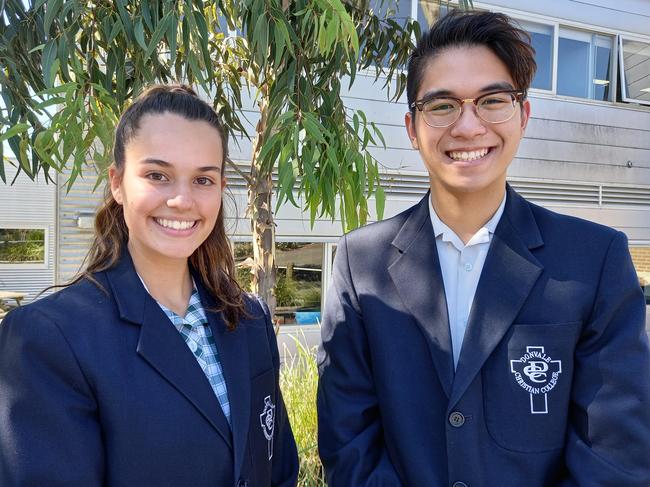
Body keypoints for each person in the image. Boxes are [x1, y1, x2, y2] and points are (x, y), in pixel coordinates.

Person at [317, 11, 650, 486]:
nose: (469, 127)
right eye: (443, 105)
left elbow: (614, 457)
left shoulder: (594, 261)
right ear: (412, 128)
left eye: (493, 100)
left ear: (523, 115)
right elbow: (348, 442)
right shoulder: (360, 262)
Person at [0, 85, 299, 487]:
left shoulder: (248, 319)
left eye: (203, 180)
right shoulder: (47, 339)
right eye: (158, 175)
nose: (181, 199)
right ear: (117, 183)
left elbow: (277, 468)